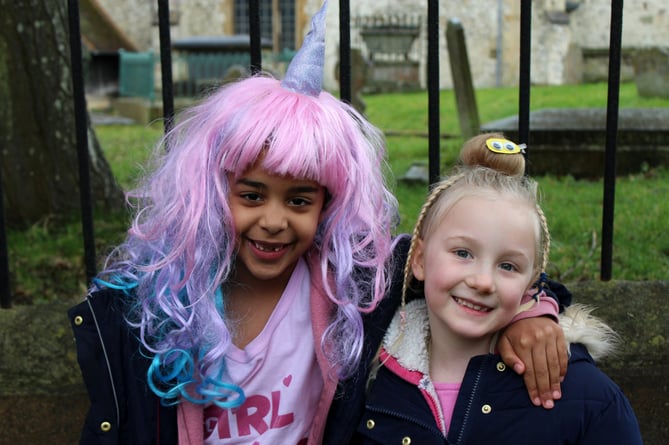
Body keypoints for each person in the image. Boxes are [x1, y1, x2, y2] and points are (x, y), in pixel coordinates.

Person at [68, 2, 569, 444]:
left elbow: (466, 268)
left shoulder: (355, 285)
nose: (273, 221)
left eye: (299, 201)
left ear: (328, 205)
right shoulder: (155, 306)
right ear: (212, 190)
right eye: (251, 195)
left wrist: (532, 313)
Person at [350, 133, 643, 444]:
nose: (483, 281)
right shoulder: (365, 372)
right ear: (420, 259)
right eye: (463, 253)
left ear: (532, 283)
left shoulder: (584, 395)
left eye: (508, 266)